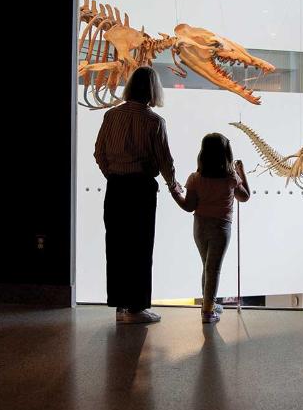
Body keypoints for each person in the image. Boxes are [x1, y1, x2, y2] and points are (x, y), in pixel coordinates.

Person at [94, 66, 182, 324]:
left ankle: (121, 306)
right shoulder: (154, 122)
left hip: (116, 188)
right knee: (141, 247)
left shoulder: (111, 116)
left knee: (117, 246)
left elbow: (99, 153)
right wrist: (174, 186)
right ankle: (137, 308)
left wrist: (112, 175)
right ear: (154, 90)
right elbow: (165, 161)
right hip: (141, 188)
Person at [171, 133, 251, 324]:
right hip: (221, 227)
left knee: (207, 266)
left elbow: (189, 206)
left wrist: (175, 192)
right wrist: (242, 171)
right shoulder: (231, 178)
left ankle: (209, 305)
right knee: (213, 269)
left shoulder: (195, 178)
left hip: (199, 225)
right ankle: (207, 311)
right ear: (226, 154)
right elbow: (245, 196)